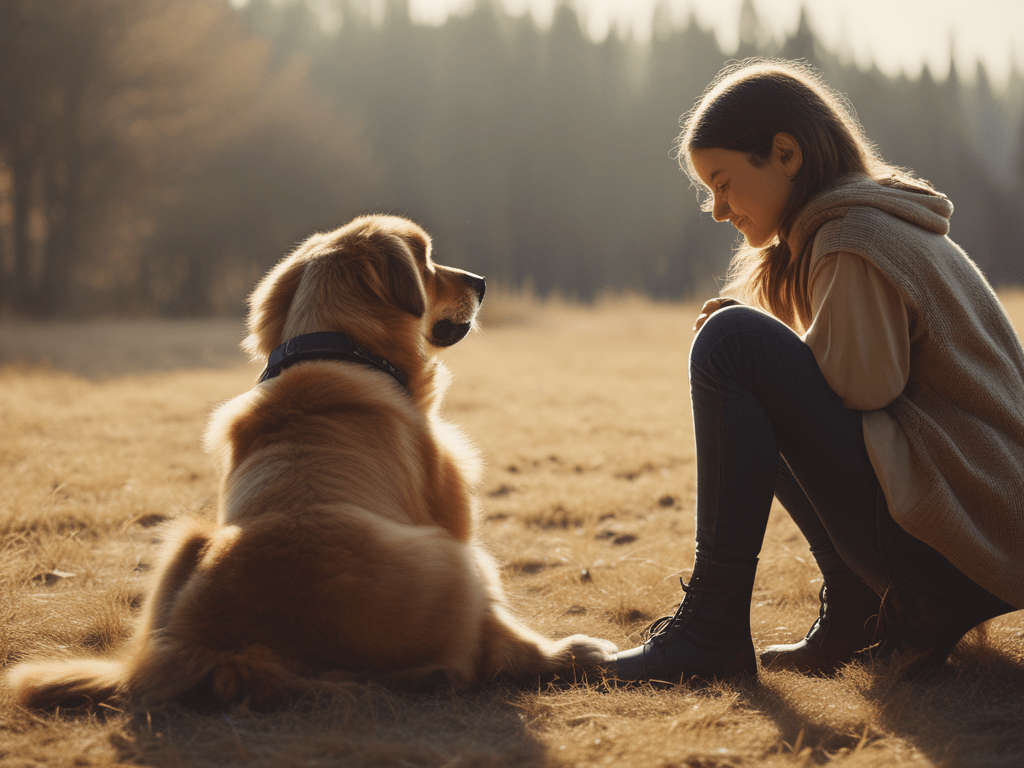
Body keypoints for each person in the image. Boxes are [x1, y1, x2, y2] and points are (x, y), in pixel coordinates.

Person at [609, 59, 1024, 684]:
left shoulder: (852, 236)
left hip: (963, 533)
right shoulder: (877, 221)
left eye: (723, 183)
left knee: (730, 345)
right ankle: (864, 607)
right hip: (981, 528)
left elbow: (863, 386)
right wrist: (775, 358)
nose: (718, 210)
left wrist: (762, 350)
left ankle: (710, 630)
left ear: (785, 153)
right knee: (745, 352)